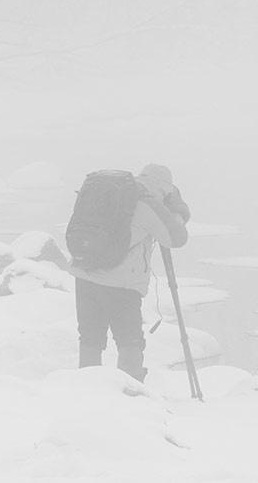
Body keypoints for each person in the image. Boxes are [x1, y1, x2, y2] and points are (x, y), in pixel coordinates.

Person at [70, 163, 189, 382]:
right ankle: (129, 390)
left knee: (90, 337)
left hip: (85, 274)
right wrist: (177, 209)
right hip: (121, 285)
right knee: (129, 341)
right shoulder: (147, 204)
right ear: (164, 188)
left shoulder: (108, 194)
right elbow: (176, 238)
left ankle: (85, 387)